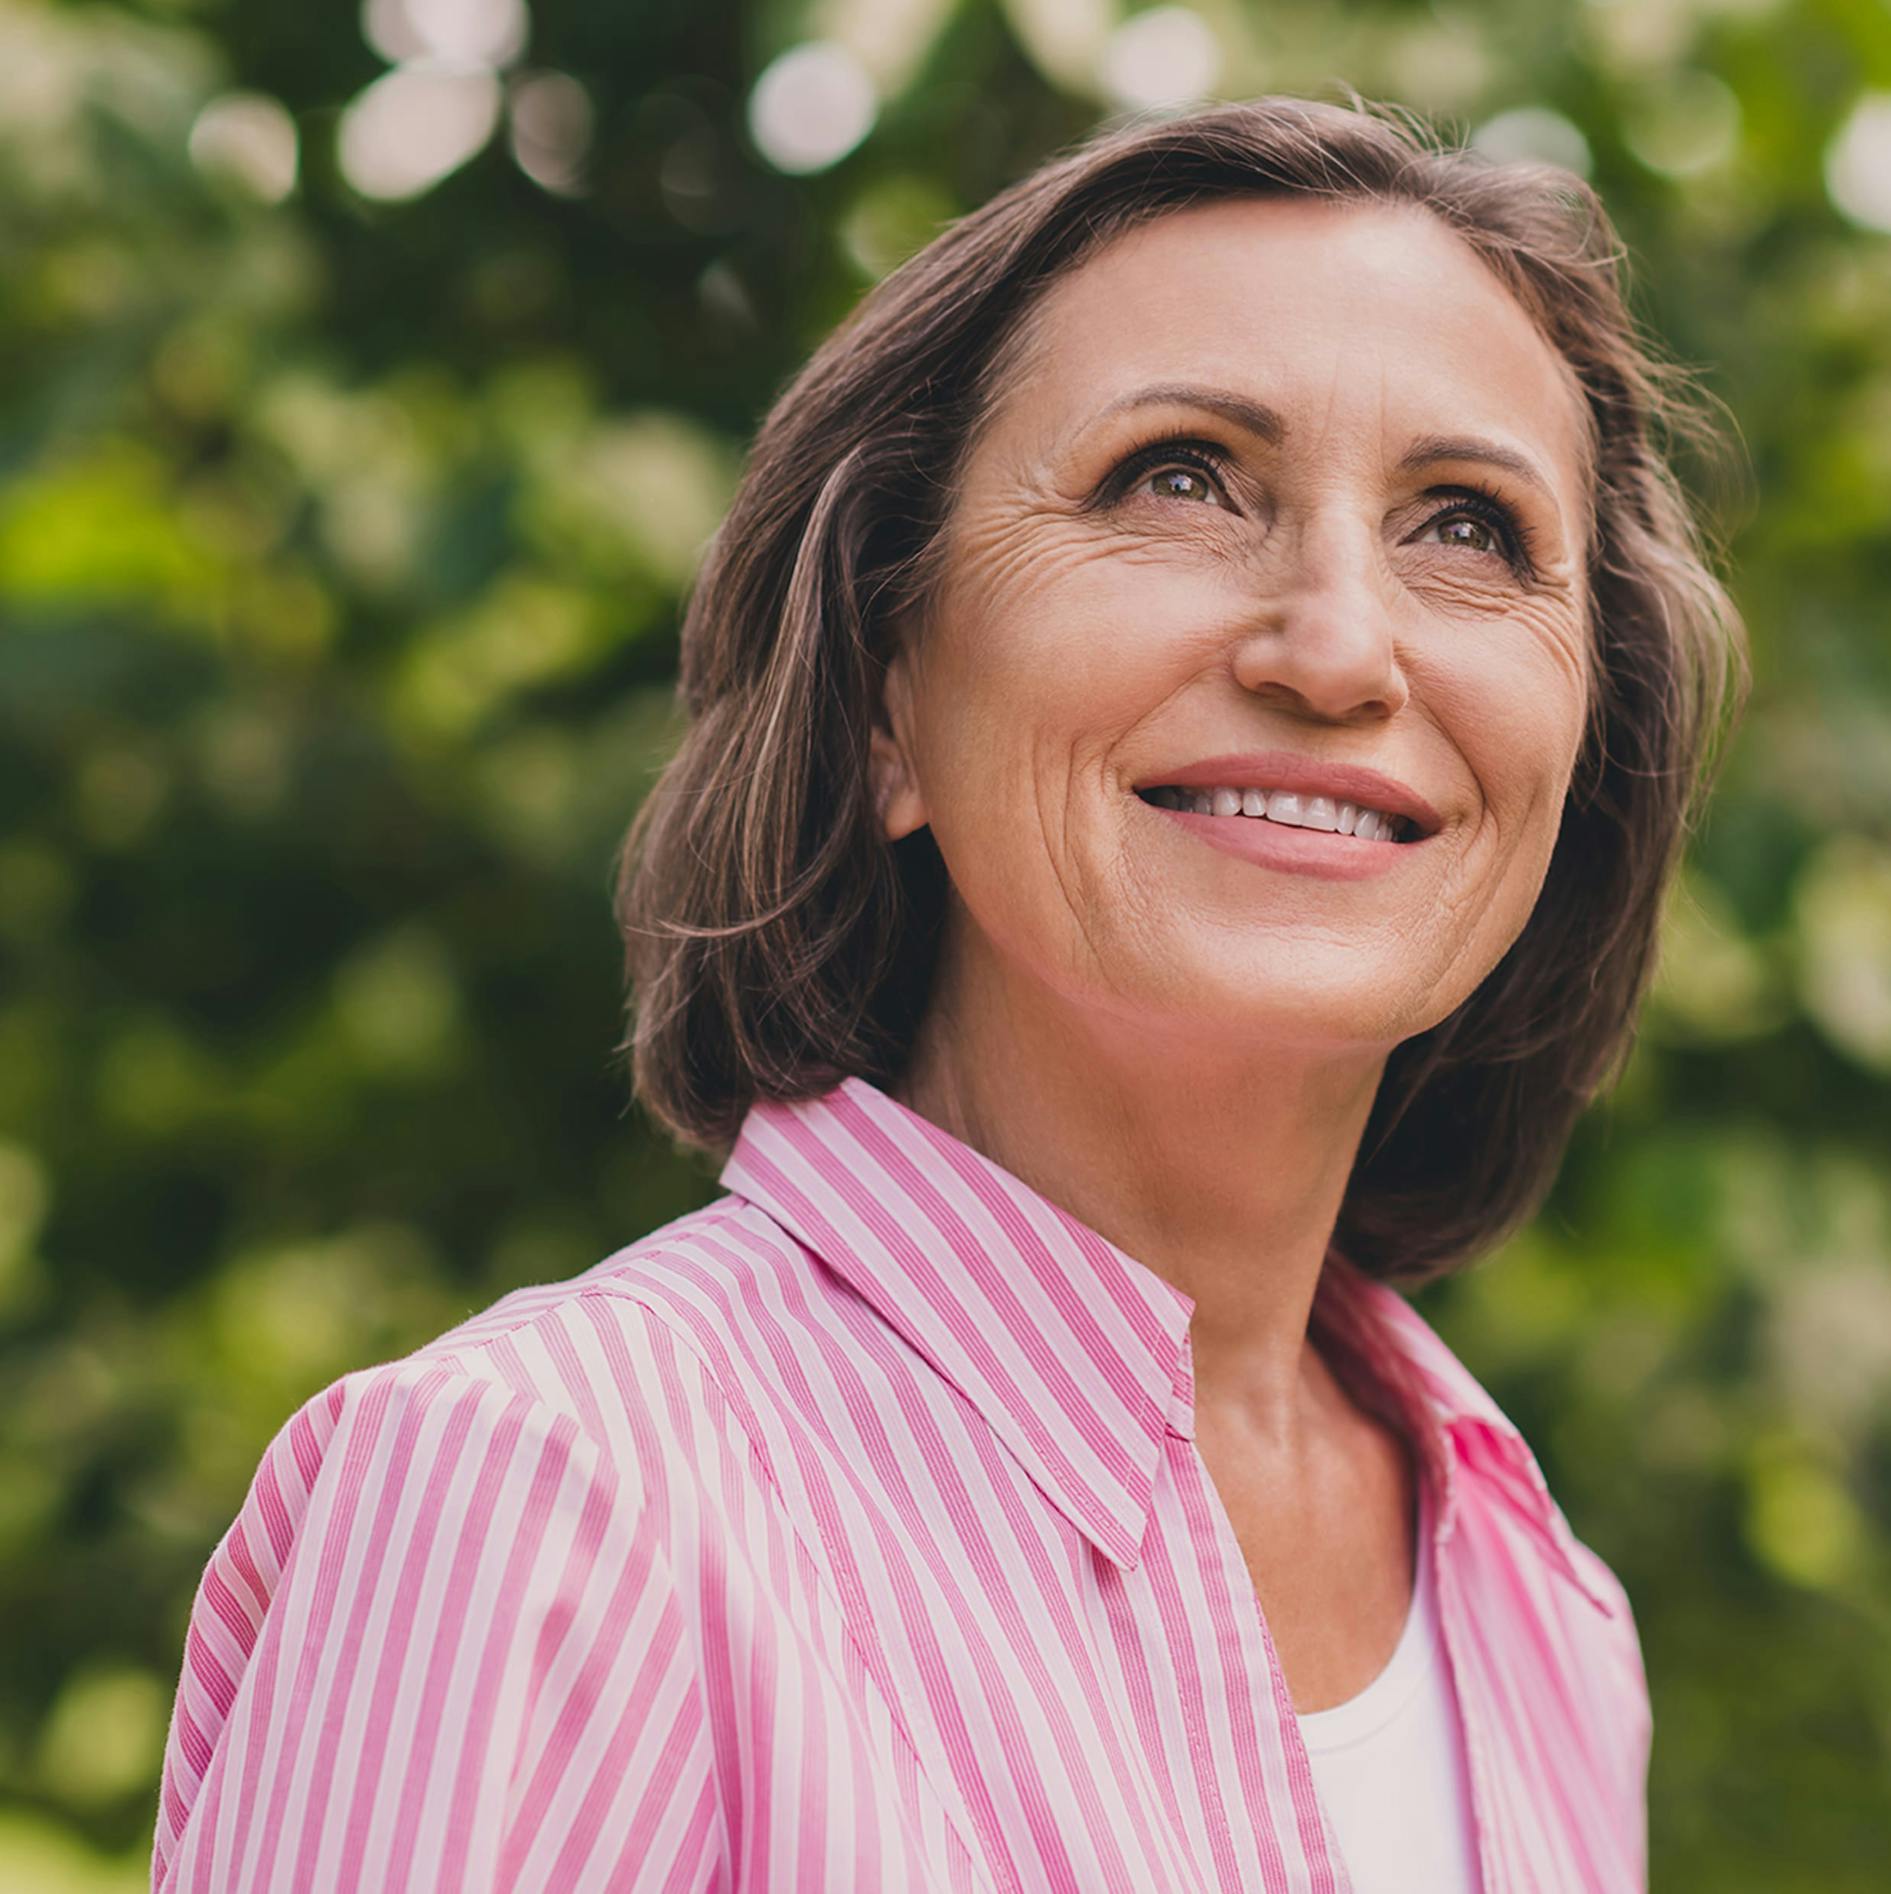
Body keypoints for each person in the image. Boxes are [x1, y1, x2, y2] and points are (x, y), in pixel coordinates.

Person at [150, 93, 1746, 1893]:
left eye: (1467, 526)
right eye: (1178, 478)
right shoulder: (542, 1492)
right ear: (884, 696)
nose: (1337, 647)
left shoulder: (1543, 1606)